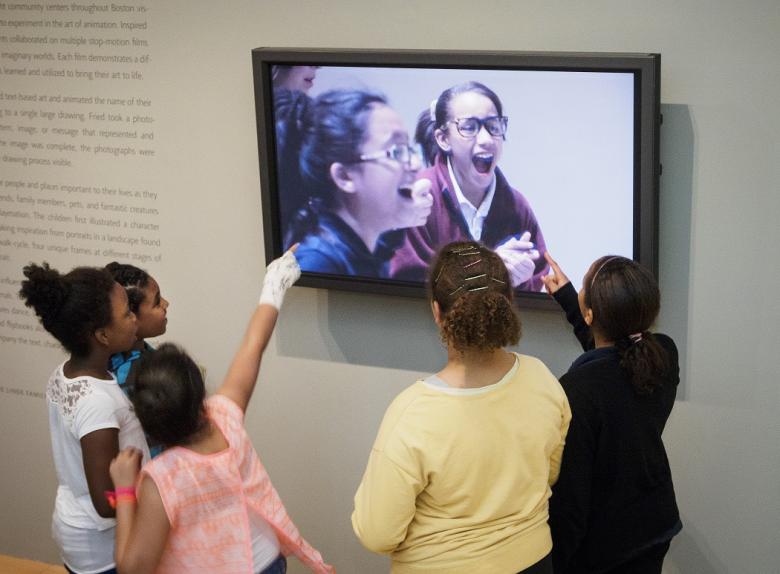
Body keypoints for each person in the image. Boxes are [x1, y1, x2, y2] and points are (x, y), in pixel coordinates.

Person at [107, 249, 334, 574]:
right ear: (199, 392)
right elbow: (252, 345)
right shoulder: (225, 417)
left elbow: (132, 568)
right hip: (266, 560)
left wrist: (125, 490)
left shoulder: (162, 479)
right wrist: (274, 283)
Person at [352, 241, 570, 574]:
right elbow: (549, 473)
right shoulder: (542, 379)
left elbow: (377, 534)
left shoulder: (413, 414)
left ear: (437, 312)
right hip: (535, 562)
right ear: (508, 303)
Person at [542, 253, 681, 574]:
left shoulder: (578, 390)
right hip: (654, 526)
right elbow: (611, 356)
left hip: (603, 548)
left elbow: (570, 505)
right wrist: (568, 297)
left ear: (589, 313)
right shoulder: (663, 354)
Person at [19, 263, 149, 574]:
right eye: (126, 314)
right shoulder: (97, 402)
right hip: (103, 548)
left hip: (75, 528)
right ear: (102, 334)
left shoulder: (63, 374)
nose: (134, 318)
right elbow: (106, 503)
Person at [391, 81, 549, 291]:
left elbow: (537, 288)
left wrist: (520, 281)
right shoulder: (419, 198)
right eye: (469, 127)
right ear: (443, 138)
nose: (486, 139)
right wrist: (488, 270)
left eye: (493, 126)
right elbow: (404, 290)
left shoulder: (517, 206)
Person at [279, 89, 433, 277]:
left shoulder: (368, 247)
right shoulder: (316, 262)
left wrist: (403, 217)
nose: (416, 165)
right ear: (344, 176)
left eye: (408, 149)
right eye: (396, 151)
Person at [105, 262, 169, 457]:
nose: (166, 304)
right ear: (131, 316)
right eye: (157, 302)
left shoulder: (143, 358)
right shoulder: (138, 377)